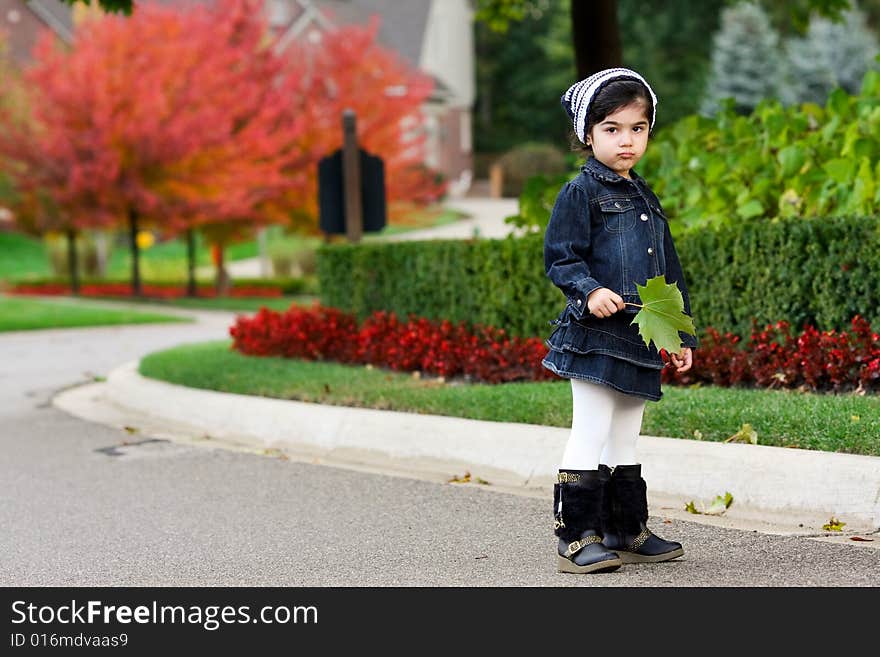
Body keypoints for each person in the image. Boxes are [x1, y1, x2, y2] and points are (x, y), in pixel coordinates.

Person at [542, 68, 697, 574]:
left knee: (626, 435)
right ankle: (576, 538)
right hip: (595, 337)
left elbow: (667, 274)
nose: (626, 140)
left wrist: (678, 332)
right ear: (587, 134)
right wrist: (590, 291)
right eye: (612, 129)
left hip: (641, 338)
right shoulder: (580, 193)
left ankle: (626, 528)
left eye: (638, 128)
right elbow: (561, 259)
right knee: (590, 431)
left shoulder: (644, 196)